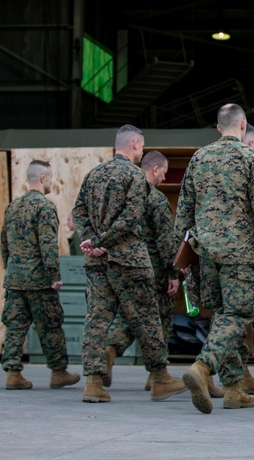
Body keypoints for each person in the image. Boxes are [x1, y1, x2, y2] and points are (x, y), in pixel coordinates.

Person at [176, 104, 254, 414]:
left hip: (205, 250)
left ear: (218, 128)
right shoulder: (252, 158)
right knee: (239, 312)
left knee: (223, 315)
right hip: (238, 252)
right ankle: (203, 366)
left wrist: (181, 255)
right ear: (244, 124)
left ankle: (234, 389)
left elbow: (184, 208)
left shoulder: (199, 158)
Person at [72, 125, 186, 404]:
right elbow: (132, 218)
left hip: (97, 262)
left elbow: (78, 211)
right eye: (143, 146)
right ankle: (159, 378)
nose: (142, 151)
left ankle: (93, 383)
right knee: (147, 319)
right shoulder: (135, 176)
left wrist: (91, 239)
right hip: (129, 261)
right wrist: (103, 239)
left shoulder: (94, 173)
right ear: (134, 144)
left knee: (97, 321)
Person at [0, 159, 80, 391]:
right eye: (51, 178)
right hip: (39, 282)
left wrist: (12, 269)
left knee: (15, 327)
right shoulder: (44, 207)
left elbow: (4, 244)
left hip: (15, 280)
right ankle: (58, 372)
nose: (52, 182)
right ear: (42, 178)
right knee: (51, 326)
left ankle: (13, 374)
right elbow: (48, 245)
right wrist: (54, 275)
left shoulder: (13, 207)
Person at [104, 150, 181, 392]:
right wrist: (173, 274)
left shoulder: (124, 196)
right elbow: (167, 242)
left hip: (123, 267)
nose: (165, 179)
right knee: (160, 320)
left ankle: (110, 349)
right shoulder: (156, 199)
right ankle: (157, 375)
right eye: (164, 173)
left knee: (131, 316)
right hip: (154, 271)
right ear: (155, 170)